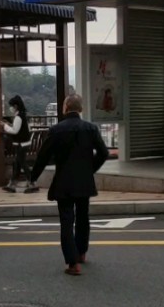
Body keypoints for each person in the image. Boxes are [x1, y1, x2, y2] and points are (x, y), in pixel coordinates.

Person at [30, 94, 109, 276]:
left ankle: (73, 263)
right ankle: (81, 252)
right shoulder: (90, 128)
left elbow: (42, 157)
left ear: (65, 108)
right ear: (80, 108)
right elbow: (103, 152)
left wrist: (33, 176)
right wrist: (90, 169)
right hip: (84, 181)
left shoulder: (56, 130)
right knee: (83, 218)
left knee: (67, 221)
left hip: (63, 183)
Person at [1, 94, 37, 193]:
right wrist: (8, 125)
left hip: (21, 144)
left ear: (15, 106)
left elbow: (15, 131)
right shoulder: (22, 115)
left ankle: (32, 182)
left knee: (22, 163)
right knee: (17, 163)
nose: (11, 108)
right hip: (24, 143)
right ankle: (12, 183)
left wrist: (5, 126)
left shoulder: (18, 117)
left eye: (11, 106)